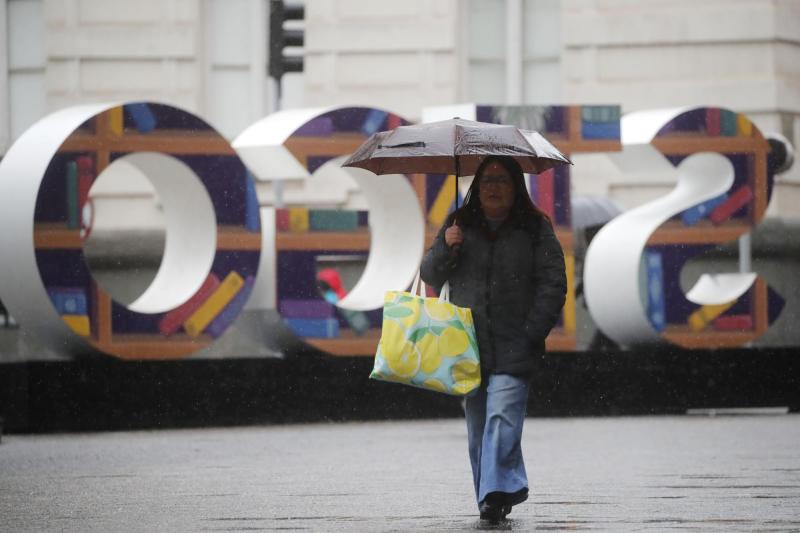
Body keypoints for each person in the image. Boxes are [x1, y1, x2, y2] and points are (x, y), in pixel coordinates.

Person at [420, 155, 567, 524]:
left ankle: (496, 492)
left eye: (501, 180)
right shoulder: (459, 224)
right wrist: (445, 246)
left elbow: (553, 283)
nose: (493, 187)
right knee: (478, 430)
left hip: (517, 344)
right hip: (468, 347)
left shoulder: (535, 228)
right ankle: (491, 498)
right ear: (476, 186)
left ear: (516, 186)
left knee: (502, 418)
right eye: (486, 180)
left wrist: (533, 331)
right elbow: (430, 274)